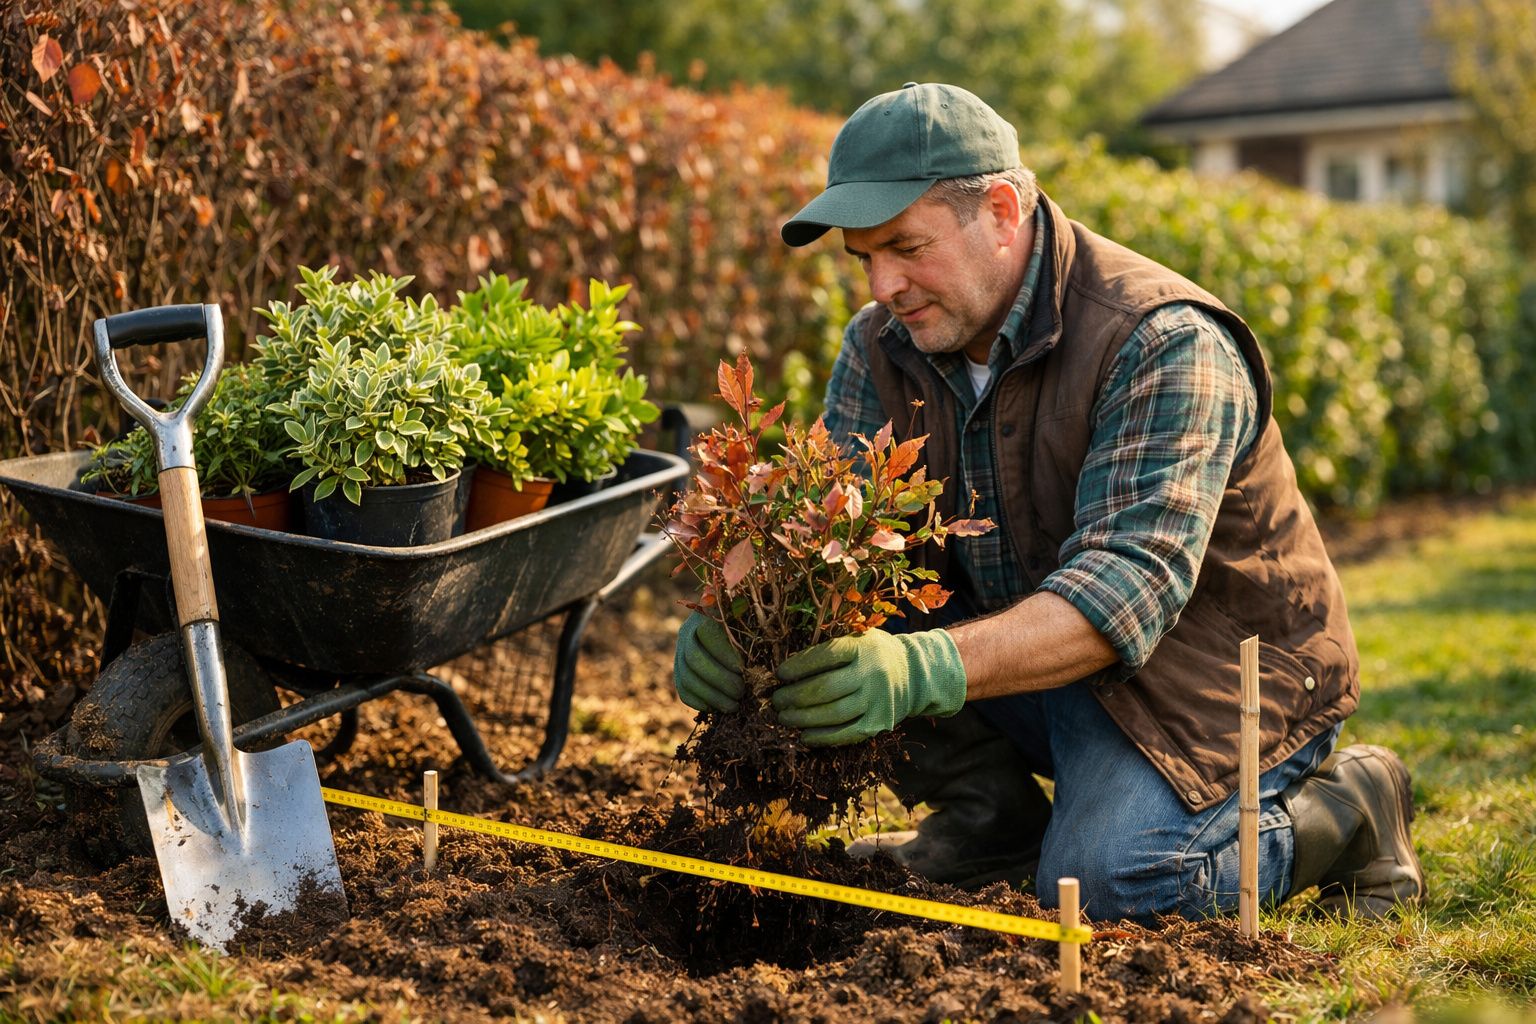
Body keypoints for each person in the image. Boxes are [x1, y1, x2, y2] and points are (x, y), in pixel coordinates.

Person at [672, 82, 1423, 923]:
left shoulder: (1163, 340)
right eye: (863, 258)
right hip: (1031, 652)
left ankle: (1352, 809)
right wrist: (740, 617)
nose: (883, 284)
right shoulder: (882, 346)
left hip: (1203, 679)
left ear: (1001, 209)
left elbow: (1124, 587)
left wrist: (925, 666)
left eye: (906, 247)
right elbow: (835, 534)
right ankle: (989, 821)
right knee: (843, 616)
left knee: (1119, 885)